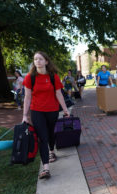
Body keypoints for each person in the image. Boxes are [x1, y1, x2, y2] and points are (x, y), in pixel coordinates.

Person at [22, 51, 70, 179]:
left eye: (40, 59)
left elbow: (59, 94)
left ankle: (52, 151)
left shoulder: (53, 76)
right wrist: (25, 115)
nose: (37, 61)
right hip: (37, 111)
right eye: (35, 59)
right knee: (42, 137)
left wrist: (65, 110)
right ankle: (46, 168)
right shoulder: (30, 77)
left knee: (51, 133)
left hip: (52, 110)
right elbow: (27, 97)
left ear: (46, 61)